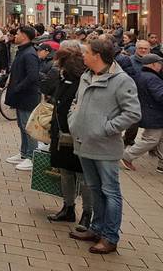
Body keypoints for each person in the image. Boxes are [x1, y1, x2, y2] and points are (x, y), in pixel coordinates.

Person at [68, 38, 141, 254]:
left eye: (87, 52)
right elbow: (77, 101)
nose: (83, 55)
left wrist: (106, 128)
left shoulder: (121, 81)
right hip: (84, 142)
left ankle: (110, 237)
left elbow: (133, 113)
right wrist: (74, 118)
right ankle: (96, 228)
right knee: (94, 188)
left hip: (105, 147)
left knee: (111, 192)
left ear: (97, 56)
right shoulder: (86, 75)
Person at [45, 44, 93, 231]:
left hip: (78, 135)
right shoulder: (63, 80)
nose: (57, 67)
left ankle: (87, 214)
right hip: (61, 134)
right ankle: (68, 207)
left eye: (60, 64)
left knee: (83, 175)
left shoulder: (82, 85)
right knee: (65, 171)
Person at [4, 26, 41, 171]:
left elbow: (32, 76)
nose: (15, 35)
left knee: (29, 128)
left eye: (18, 33)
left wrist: (18, 87)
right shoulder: (23, 51)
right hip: (20, 96)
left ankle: (32, 157)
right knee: (22, 125)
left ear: (24, 36)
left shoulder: (29, 54)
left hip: (27, 96)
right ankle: (24, 153)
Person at [121, 54, 163, 173]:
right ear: (153, 64)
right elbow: (160, 95)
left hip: (151, 112)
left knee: (159, 139)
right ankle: (127, 156)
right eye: (160, 64)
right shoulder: (152, 78)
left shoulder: (142, 75)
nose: (161, 66)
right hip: (155, 114)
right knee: (151, 139)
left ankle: (162, 163)